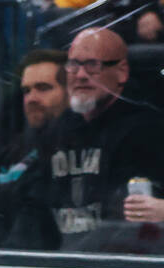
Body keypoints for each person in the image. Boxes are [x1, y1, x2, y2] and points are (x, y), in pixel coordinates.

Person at [9, 28, 164, 252]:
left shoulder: (148, 130)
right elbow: (33, 208)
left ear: (121, 72)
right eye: (73, 65)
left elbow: (128, 226)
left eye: (93, 65)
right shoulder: (58, 130)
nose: (81, 75)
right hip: (59, 267)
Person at [0, 50, 68, 245]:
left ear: (70, 91)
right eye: (26, 90)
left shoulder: (75, 149)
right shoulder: (13, 150)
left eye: (43, 88)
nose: (31, 98)